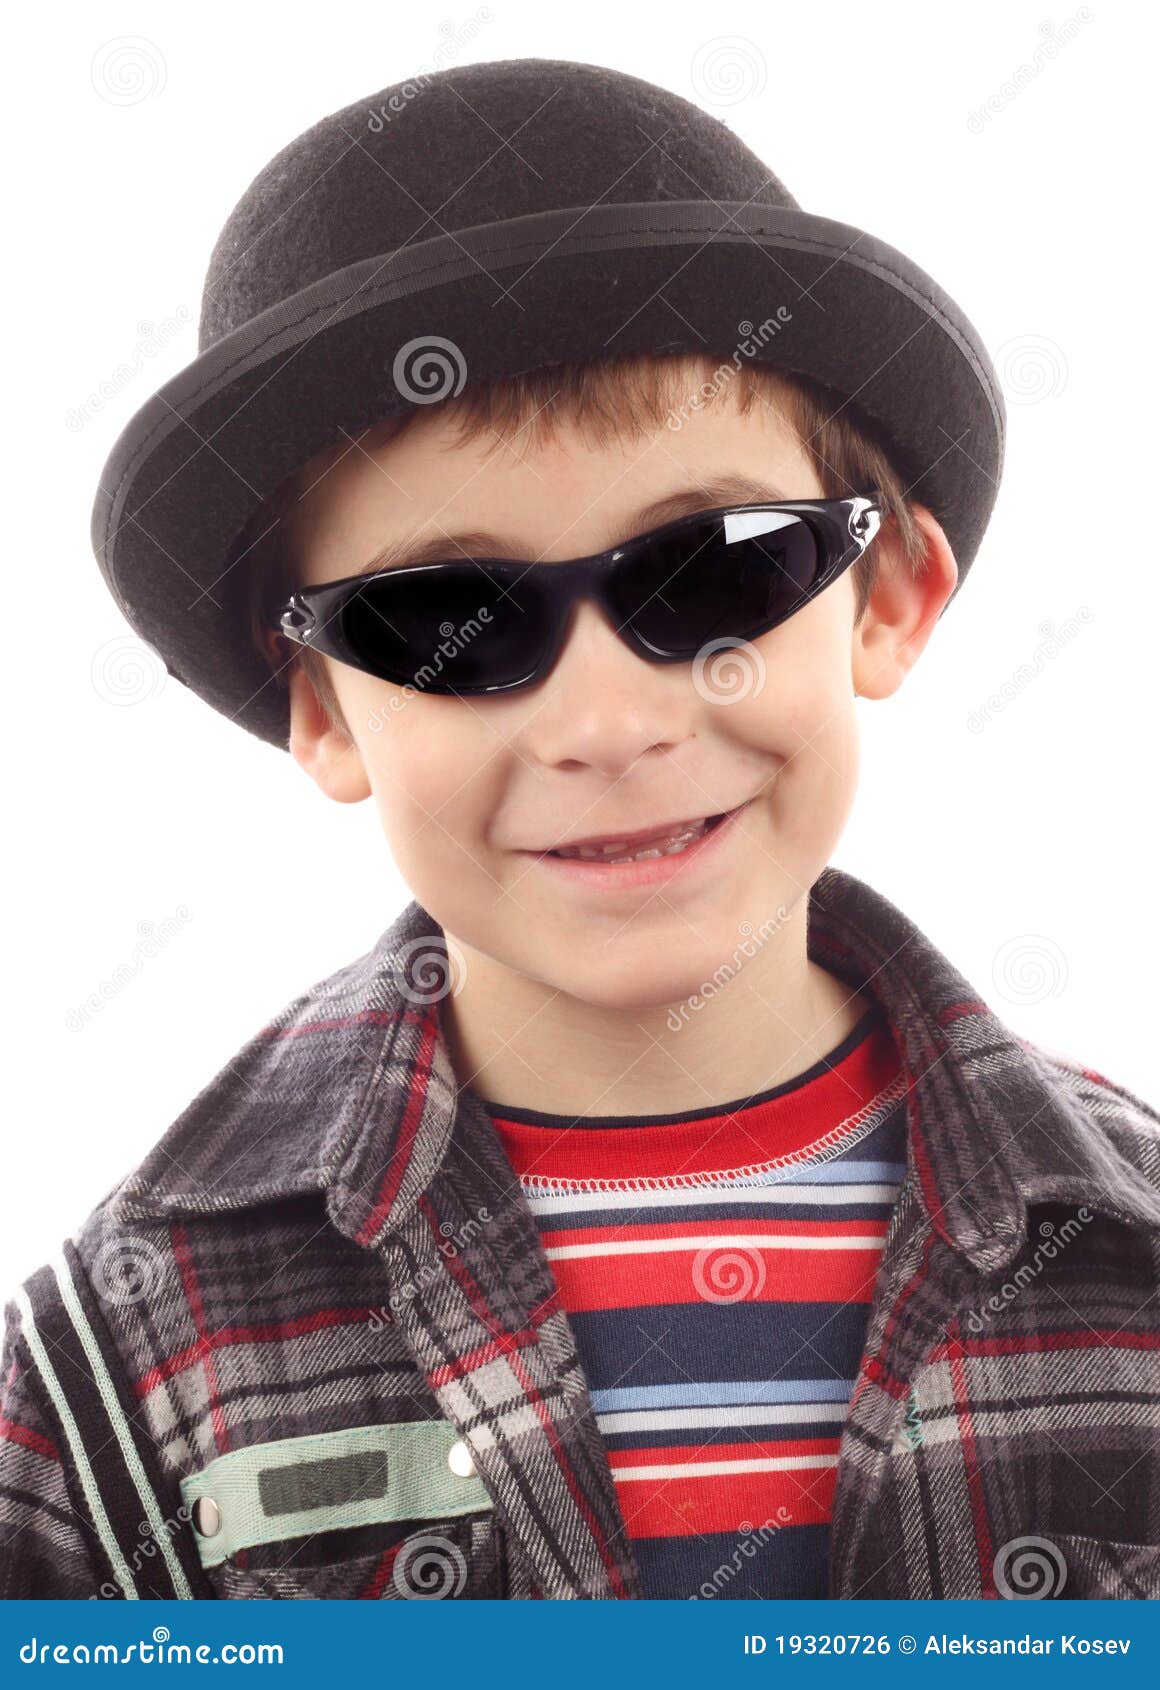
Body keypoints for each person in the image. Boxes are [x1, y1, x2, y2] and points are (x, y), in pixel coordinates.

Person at [3, 58, 1159, 1603]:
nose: (611, 725)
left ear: (890, 599)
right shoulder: (114, 1364)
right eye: (447, 617)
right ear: (329, 712)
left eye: (717, 571)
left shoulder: (1138, 1266)